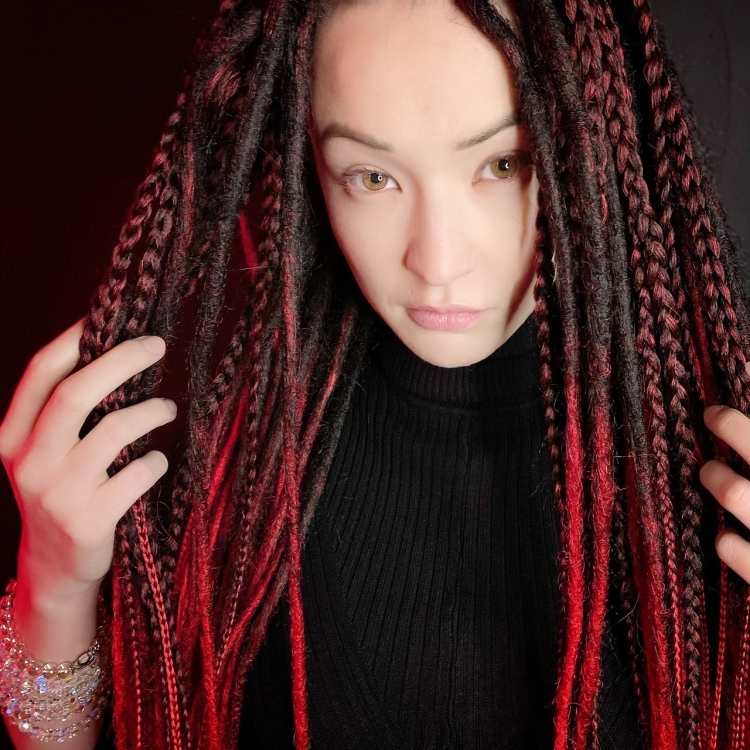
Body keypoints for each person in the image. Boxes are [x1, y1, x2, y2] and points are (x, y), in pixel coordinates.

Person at [2, 0, 750, 747]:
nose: (436, 262)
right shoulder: (224, 458)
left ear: (588, 136)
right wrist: (53, 589)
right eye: (372, 176)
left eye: (503, 163)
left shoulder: (719, 473)